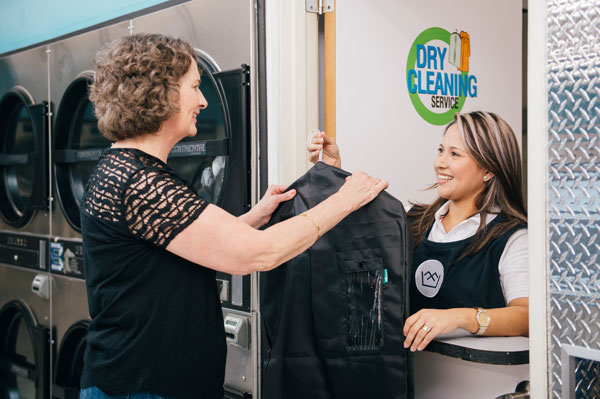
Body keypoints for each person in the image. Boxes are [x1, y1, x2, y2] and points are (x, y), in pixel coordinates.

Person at [80, 33, 388, 399]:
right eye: (194, 87)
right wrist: (344, 199)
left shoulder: (126, 169)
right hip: (142, 387)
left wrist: (255, 216)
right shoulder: (141, 181)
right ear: (160, 93)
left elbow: (179, 248)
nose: (203, 100)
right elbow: (254, 254)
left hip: (137, 380)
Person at [308, 111, 528, 352]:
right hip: (407, 380)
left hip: (476, 384)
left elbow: (526, 317)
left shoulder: (513, 238)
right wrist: (332, 171)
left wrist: (458, 317)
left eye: (454, 154)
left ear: (488, 170)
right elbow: (350, 232)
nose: (440, 162)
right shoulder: (409, 219)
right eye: (441, 150)